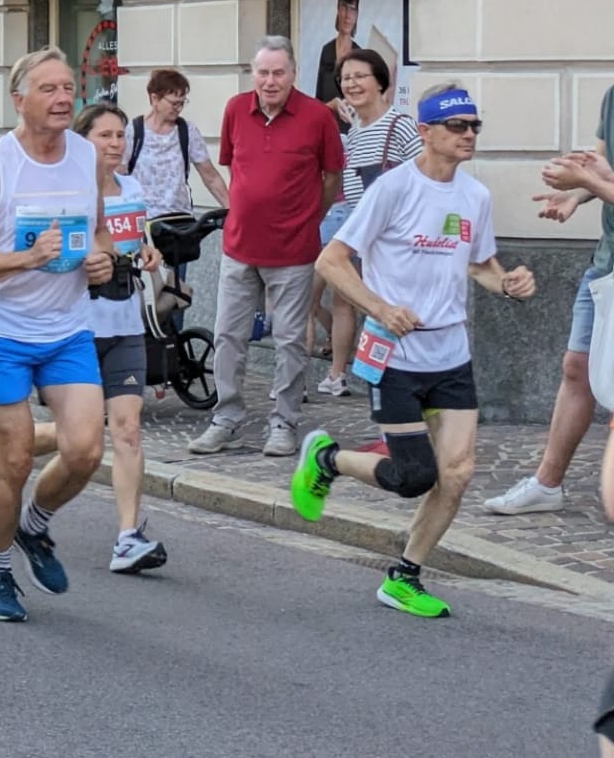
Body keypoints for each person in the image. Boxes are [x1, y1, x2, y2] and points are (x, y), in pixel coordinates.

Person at [292, 84, 535, 618]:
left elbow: (480, 264)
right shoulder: (393, 188)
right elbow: (331, 260)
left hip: (451, 355)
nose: (468, 135)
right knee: (414, 476)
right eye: (457, 126)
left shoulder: (476, 196)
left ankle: (405, 576)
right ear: (425, 131)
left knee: (459, 472)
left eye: (474, 126)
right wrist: (380, 307)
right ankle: (327, 458)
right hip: (395, 356)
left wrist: (506, 283)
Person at [0, 47, 115, 622]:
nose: (64, 98)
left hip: (67, 328)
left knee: (86, 450)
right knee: (15, 461)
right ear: (19, 100)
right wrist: (26, 259)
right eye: (49, 89)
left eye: (68, 87)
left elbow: (100, 231)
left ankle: (34, 526)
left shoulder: (87, 156)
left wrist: (102, 258)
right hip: (1, 331)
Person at [0, 103, 169, 573]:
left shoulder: (131, 188)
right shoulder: (67, 191)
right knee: (83, 436)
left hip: (126, 323)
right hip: (78, 327)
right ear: (81, 140)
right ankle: (10, 445)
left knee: (127, 428)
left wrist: (150, 253)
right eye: (104, 136)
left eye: (120, 136)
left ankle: (127, 538)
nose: (115, 144)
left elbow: (139, 241)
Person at [188, 37, 344, 458]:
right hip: (239, 246)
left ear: (293, 74)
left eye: (278, 73)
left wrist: (309, 218)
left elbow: (332, 177)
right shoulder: (236, 109)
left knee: (290, 341)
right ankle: (225, 419)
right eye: (262, 72)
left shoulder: (317, 117)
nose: (270, 81)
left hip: (293, 251)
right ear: (252, 74)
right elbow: (234, 167)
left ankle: (284, 423)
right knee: (228, 336)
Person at [488, 87, 614, 515]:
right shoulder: (612, 96)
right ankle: (546, 484)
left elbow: (599, 177)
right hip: (605, 265)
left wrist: (587, 182)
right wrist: (576, 194)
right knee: (576, 367)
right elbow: (603, 170)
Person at [312, 48, 421, 398]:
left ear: (380, 82)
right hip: (364, 241)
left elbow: (426, 180)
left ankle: (406, 387)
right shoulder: (356, 132)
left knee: (394, 313)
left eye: (360, 76)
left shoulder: (400, 125)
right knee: (354, 304)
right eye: (346, 78)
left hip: (397, 246)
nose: (352, 84)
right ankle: (363, 382)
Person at [120, 68, 231, 218]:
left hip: (179, 219)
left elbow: (210, 177)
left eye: (182, 103)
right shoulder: (133, 131)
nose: (178, 109)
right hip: (142, 219)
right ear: (155, 99)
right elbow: (118, 176)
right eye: (174, 103)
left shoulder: (187, 131)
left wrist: (232, 210)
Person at [313, 0, 360, 111]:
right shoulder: (327, 50)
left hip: (351, 123)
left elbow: (363, 104)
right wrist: (332, 106)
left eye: (353, 9)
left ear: (357, 14)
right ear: (338, 9)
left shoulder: (359, 55)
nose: (347, 15)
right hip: (327, 121)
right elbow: (318, 101)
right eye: (344, 7)